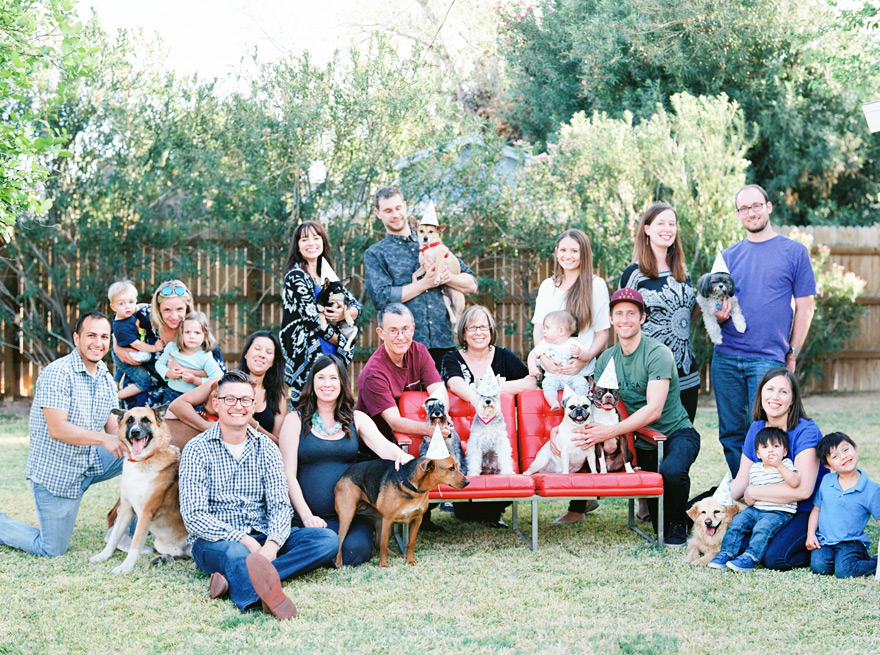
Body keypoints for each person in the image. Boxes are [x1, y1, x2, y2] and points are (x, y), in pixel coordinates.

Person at [178, 370, 338, 619]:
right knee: (235, 554)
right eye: (230, 399)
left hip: (263, 534)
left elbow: (280, 506)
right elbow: (194, 517)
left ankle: (235, 581)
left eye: (244, 400)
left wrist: (272, 545)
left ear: (253, 406)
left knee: (326, 540)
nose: (237, 407)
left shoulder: (267, 448)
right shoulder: (196, 450)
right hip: (217, 542)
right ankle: (258, 597)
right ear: (217, 403)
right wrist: (244, 540)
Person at [551, 289, 700, 545]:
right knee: (656, 511)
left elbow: (654, 409)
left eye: (631, 313)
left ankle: (679, 523)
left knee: (672, 473)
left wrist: (610, 432)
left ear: (642, 318)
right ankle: (686, 511)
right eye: (619, 314)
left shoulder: (658, 353)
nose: (625, 319)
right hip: (639, 440)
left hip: (675, 432)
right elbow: (593, 405)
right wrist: (559, 429)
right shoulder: (607, 358)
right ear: (611, 319)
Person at [0, 312, 126, 557]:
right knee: (52, 549)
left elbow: (114, 430)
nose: (98, 343)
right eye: (91, 335)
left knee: (145, 455)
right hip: (57, 473)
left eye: (104, 336)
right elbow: (57, 428)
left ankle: (126, 527)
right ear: (77, 338)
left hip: (90, 461)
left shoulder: (106, 379)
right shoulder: (58, 373)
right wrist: (103, 439)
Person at [711, 184, 816, 477]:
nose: (751, 213)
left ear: (768, 207)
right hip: (726, 357)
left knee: (770, 433)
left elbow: (805, 307)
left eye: (756, 205)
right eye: (744, 208)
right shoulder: (727, 257)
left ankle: (775, 495)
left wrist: (792, 352)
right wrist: (718, 313)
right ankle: (746, 495)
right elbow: (714, 309)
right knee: (731, 434)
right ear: (737, 214)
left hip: (767, 360)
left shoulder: (794, 252)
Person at [278, 355, 413, 566]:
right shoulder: (294, 420)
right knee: (320, 543)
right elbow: (287, 474)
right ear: (312, 383)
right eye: (321, 377)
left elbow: (382, 445)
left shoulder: (357, 418)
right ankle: (316, 548)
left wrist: (401, 456)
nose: (327, 384)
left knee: (355, 550)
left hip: (348, 517)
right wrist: (306, 517)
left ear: (342, 382)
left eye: (333, 377)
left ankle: (319, 554)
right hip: (306, 516)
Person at [533, 228, 610, 522]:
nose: (567, 256)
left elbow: (603, 332)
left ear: (584, 254)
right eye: (562, 250)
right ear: (556, 252)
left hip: (582, 373)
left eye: (574, 251)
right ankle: (567, 492)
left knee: (584, 434)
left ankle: (579, 505)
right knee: (559, 433)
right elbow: (539, 328)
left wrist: (585, 359)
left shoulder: (596, 285)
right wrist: (543, 360)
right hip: (553, 372)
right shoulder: (547, 286)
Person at [364, 187, 477, 371]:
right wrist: (424, 283)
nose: (395, 214)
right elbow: (381, 297)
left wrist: (447, 278)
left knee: (445, 398)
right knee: (408, 400)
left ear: (405, 207)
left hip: (443, 341)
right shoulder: (376, 253)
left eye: (398, 208)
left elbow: (472, 283)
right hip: (404, 347)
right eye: (388, 210)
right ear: (378, 213)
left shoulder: (432, 241)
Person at [440, 305, 535, 525]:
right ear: (463, 332)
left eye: (483, 327)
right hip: (467, 448)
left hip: (496, 442)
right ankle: (467, 507)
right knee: (467, 515)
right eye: (472, 327)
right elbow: (453, 383)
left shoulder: (503, 356)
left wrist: (492, 393)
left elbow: (530, 382)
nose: (478, 332)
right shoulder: (452, 358)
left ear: (491, 330)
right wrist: (479, 399)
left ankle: (495, 510)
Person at [728, 367, 823, 570]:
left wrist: (754, 492)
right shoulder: (757, 428)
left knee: (775, 558)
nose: (775, 397)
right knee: (735, 542)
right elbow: (742, 480)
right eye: (770, 389)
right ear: (761, 392)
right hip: (768, 508)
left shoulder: (806, 431)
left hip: (806, 509)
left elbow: (803, 490)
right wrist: (719, 503)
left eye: (783, 391)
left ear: (793, 399)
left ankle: (821, 545)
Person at [620, 203, 699, 421]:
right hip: (651, 375)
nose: (668, 228)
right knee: (651, 447)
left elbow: (690, 316)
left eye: (672, 224)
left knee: (684, 442)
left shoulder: (682, 270)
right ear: (646, 229)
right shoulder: (634, 274)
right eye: (661, 223)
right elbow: (623, 324)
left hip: (686, 374)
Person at [279, 220, 362, 405]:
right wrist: (341, 341)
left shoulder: (327, 274)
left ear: (323, 242)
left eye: (316, 238)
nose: (311, 243)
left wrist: (344, 314)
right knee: (308, 406)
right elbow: (312, 319)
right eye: (304, 239)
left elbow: (357, 306)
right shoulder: (296, 276)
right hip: (308, 353)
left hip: (332, 352)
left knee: (334, 406)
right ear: (297, 246)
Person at [114, 279, 225, 406]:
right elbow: (119, 321)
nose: (173, 316)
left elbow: (218, 377)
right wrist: (116, 347)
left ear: (187, 308)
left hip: (182, 390)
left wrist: (187, 372)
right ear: (158, 309)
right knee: (136, 413)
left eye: (179, 309)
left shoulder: (194, 331)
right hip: (147, 381)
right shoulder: (147, 315)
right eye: (167, 310)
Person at [168, 330, 288, 446]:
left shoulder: (277, 398)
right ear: (246, 353)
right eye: (257, 349)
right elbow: (178, 405)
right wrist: (205, 427)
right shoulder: (222, 382)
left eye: (268, 352)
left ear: (273, 361)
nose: (262, 355)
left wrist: (253, 425)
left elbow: (278, 443)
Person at [356, 303, 449, 447]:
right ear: (380, 333)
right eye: (393, 331)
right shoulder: (373, 373)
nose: (401, 337)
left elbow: (438, 391)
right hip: (379, 448)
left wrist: (443, 415)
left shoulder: (419, 351)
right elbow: (394, 422)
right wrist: (430, 430)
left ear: (413, 329)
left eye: (405, 329)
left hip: (417, 438)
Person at [709, 427, 800, 572]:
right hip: (756, 509)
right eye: (765, 447)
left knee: (762, 528)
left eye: (776, 446)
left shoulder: (787, 465)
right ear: (758, 453)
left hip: (778, 511)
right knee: (737, 523)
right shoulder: (755, 468)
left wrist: (779, 465)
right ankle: (726, 553)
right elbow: (750, 492)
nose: (771, 451)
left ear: (785, 451)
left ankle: (750, 557)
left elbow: (795, 482)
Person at [807, 432, 880, 578]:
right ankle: (843, 560)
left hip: (851, 542)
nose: (843, 456)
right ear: (828, 465)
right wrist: (811, 534)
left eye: (846, 450)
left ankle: (876, 562)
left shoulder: (871, 489)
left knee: (844, 571)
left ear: (855, 448)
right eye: (835, 456)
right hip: (825, 540)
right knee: (819, 567)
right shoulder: (827, 481)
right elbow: (817, 509)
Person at [107, 280, 164, 401]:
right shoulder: (121, 327)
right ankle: (114, 397)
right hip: (127, 354)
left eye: (131, 302)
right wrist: (155, 348)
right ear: (113, 307)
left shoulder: (127, 313)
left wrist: (138, 306)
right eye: (121, 303)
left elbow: (140, 306)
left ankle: (114, 384)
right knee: (144, 381)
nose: (128, 306)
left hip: (126, 351)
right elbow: (137, 344)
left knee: (122, 368)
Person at [528, 310, 589, 411]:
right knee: (547, 384)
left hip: (572, 377)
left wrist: (580, 352)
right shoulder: (544, 344)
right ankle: (554, 402)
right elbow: (532, 354)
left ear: (561, 331)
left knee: (581, 382)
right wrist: (532, 367)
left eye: (547, 328)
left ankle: (577, 401)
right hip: (553, 377)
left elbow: (587, 356)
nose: (544, 331)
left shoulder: (572, 344)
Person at [155, 311, 223, 402]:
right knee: (169, 415)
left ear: (205, 335)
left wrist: (195, 380)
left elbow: (218, 378)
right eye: (187, 332)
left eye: (197, 333)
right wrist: (168, 373)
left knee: (192, 416)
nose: (192, 336)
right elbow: (159, 364)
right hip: (172, 393)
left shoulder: (204, 356)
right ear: (181, 334)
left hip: (195, 396)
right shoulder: (172, 348)